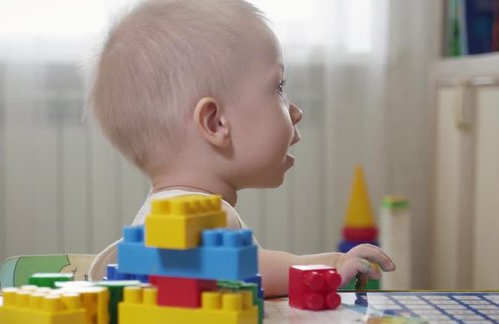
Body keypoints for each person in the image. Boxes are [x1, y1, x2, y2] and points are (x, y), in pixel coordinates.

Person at [86, 0, 395, 297]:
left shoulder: (176, 212)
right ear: (216, 122)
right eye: (278, 88)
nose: (296, 112)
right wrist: (330, 266)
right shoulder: (187, 218)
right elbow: (233, 270)